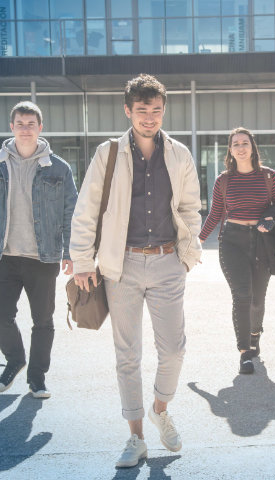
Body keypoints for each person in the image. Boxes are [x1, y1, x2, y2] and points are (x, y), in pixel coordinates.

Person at [70, 74, 202, 468]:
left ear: (164, 111)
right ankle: (136, 437)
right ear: (128, 110)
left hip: (166, 262)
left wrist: (186, 250)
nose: (149, 118)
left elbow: (191, 208)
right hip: (120, 264)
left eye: (156, 110)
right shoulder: (108, 153)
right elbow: (87, 210)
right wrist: (81, 261)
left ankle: (160, 408)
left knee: (174, 349)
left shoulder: (179, 154)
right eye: (142, 110)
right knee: (127, 355)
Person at [0, 101, 78, 400]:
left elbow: (71, 213)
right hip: (4, 254)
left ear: (40, 128)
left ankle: (37, 378)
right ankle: (15, 360)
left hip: (43, 257)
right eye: (20, 123)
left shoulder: (58, 168)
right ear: (11, 127)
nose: (25, 129)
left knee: (43, 320)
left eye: (31, 124)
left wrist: (71, 252)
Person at [199, 127, 275, 375]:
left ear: (252, 147)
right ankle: (245, 352)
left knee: (257, 300)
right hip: (232, 242)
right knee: (242, 295)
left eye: (244, 142)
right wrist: (199, 240)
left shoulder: (270, 177)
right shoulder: (223, 180)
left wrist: (270, 218)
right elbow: (215, 214)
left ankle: (255, 333)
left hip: (262, 243)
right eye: (235, 143)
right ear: (230, 149)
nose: (240, 147)